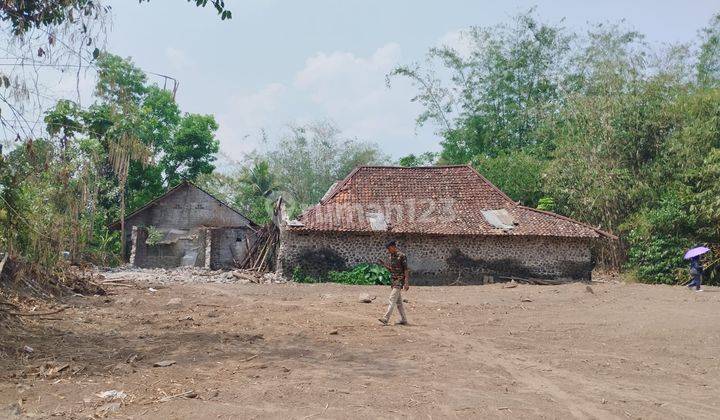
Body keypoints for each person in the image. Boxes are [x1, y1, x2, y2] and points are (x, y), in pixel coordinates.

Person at [377, 240, 409, 325]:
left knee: (392, 298)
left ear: (393, 247)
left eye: (389, 248)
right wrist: (384, 264)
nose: (388, 250)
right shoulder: (391, 256)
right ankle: (404, 320)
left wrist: (406, 282)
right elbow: (392, 270)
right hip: (393, 281)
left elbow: (406, 269)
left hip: (399, 281)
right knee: (399, 303)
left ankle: (385, 318)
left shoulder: (402, 256)